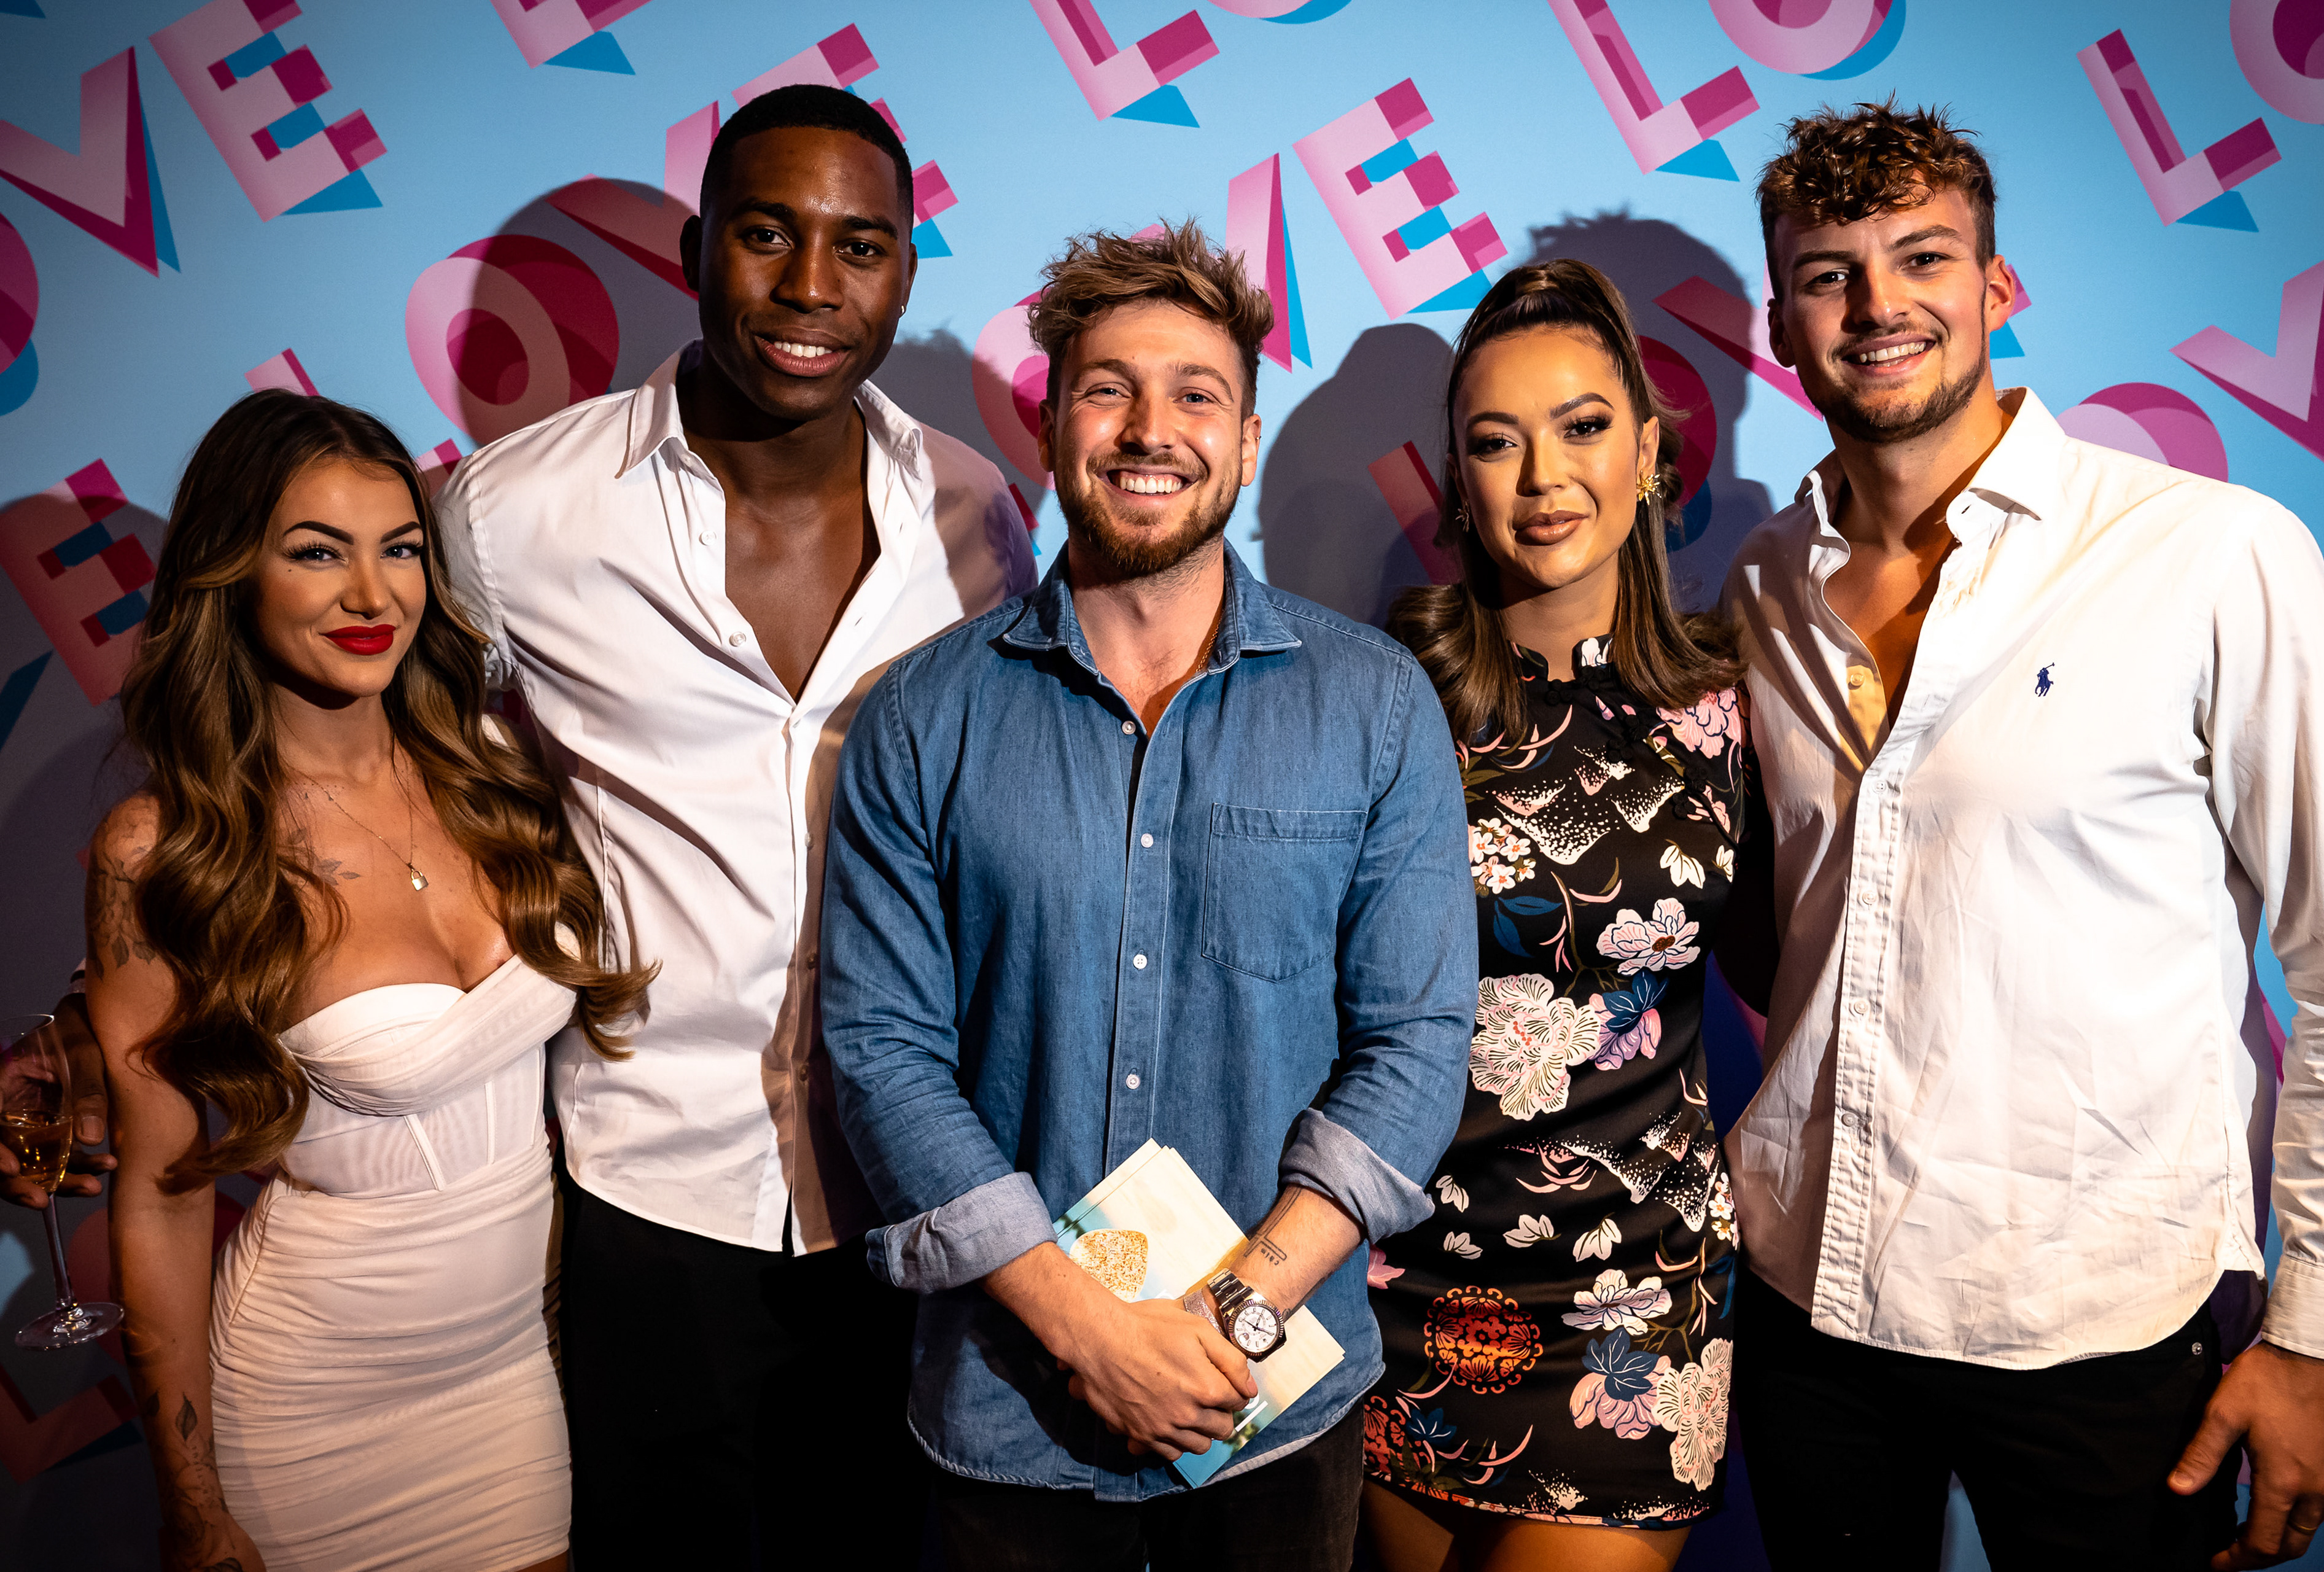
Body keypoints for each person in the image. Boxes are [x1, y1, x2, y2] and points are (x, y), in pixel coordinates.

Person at [1722, 100, 2324, 1570]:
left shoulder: (2210, 553)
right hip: (1812, 1297)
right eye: (1829, 275)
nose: (1878, 305)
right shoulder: (1762, 584)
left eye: (1922, 257)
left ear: (1997, 287)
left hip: (2103, 1314)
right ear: (1781, 326)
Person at [432, 83, 1035, 1568]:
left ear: (905, 271)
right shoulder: (513, 516)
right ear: (698, 249)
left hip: (914, 1182)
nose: (812, 287)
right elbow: (396, 802)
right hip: (650, 1179)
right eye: (769, 234)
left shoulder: (976, 516)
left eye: (861, 247)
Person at [818, 220, 1476, 1569]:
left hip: (1273, 1415)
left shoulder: (1374, 705)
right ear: (1049, 425)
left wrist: (1226, 1322)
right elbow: (883, 1053)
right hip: (1011, 1411)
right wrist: (1091, 1332)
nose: (1149, 431)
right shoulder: (920, 719)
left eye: (1196, 394)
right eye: (1108, 390)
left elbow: (1415, 1045)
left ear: (1246, 439)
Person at [87, 389, 650, 1572]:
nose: (372, 595)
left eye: (399, 550)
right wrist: (191, 1505)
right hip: (310, 1402)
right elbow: (162, 1196)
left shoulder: (494, 764)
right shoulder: (166, 849)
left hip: (511, 1376)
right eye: (316, 553)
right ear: (231, 575)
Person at [1358, 261, 1755, 1572]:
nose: (1543, 477)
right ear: (1458, 480)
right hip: (1395, 1283)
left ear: (1649, 452)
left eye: (1583, 426)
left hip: (1636, 1305)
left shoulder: (1731, 706)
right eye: (1496, 441)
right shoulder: (1384, 695)